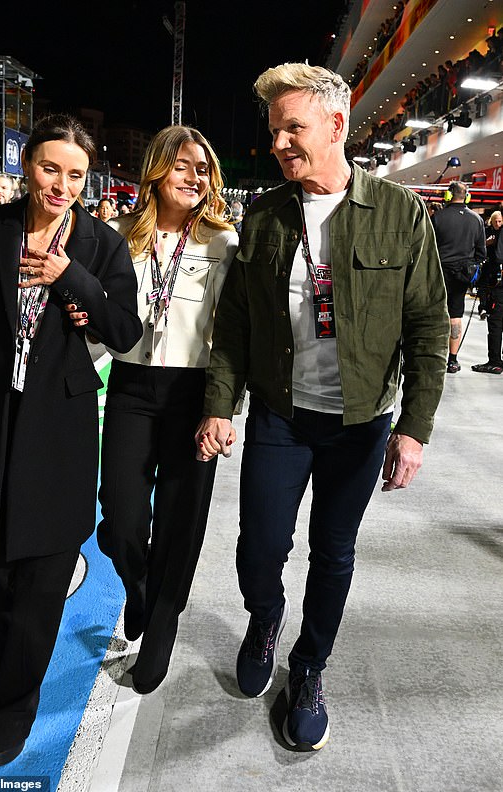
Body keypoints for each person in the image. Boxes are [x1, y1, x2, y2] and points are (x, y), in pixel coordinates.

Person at [196, 62, 448, 752]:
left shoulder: (399, 213)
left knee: (334, 552)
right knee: (259, 546)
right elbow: (236, 325)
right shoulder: (265, 215)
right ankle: (266, 617)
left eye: (293, 128)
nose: (279, 143)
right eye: (275, 130)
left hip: (360, 426)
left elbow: (428, 328)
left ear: (336, 125)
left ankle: (309, 667)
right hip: (280, 415)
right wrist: (221, 405)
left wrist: (415, 428)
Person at [0, 113, 142, 768]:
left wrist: (71, 277)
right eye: (50, 168)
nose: (61, 185)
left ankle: (16, 701)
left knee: (42, 579)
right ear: (27, 166)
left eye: (75, 174)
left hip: (60, 431)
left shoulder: (101, 244)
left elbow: (125, 330)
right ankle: (12, 651)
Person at [80, 125, 238, 695]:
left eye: (203, 169)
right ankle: (139, 586)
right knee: (121, 514)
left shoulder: (223, 243)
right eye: (183, 166)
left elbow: (232, 334)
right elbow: (99, 320)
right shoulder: (117, 237)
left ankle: (160, 636)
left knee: (180, 522)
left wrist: (224, 406)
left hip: (193, 394)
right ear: (156, 169)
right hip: (130, 388)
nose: (195, 178)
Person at [431, 181, 486, 373]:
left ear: (448, 195)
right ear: (467, 197)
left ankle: (432, 357)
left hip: (439, 273)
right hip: (462, 275)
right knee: (455, 316)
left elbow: (428, 248)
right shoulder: (477, 220)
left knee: (434, 314)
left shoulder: (437, 217)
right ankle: (452, 360)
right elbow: (481, 253)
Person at [472, 211, 503, 373]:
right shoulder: (491, 231)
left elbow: (498, 257)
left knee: (496, 322)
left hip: (498, 285)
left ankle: (495, 361)